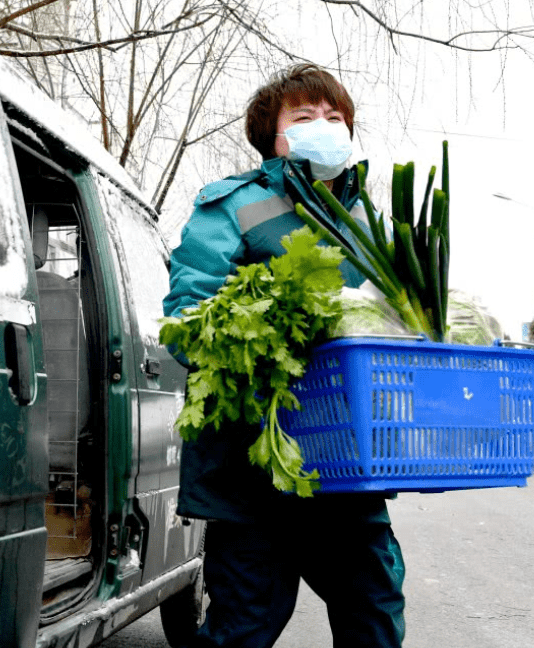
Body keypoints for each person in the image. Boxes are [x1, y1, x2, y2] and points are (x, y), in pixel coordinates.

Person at [162, 64, 406, 647]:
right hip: (252, 467)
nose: (323, 126)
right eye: (304, 117)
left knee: (373, 614)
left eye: (335, 117)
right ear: (272, 136)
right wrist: (280, 323)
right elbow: (188, 315)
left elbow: (395, 318)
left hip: (345, 464)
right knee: (244, 625)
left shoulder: (369, 222)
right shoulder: (233, 205)